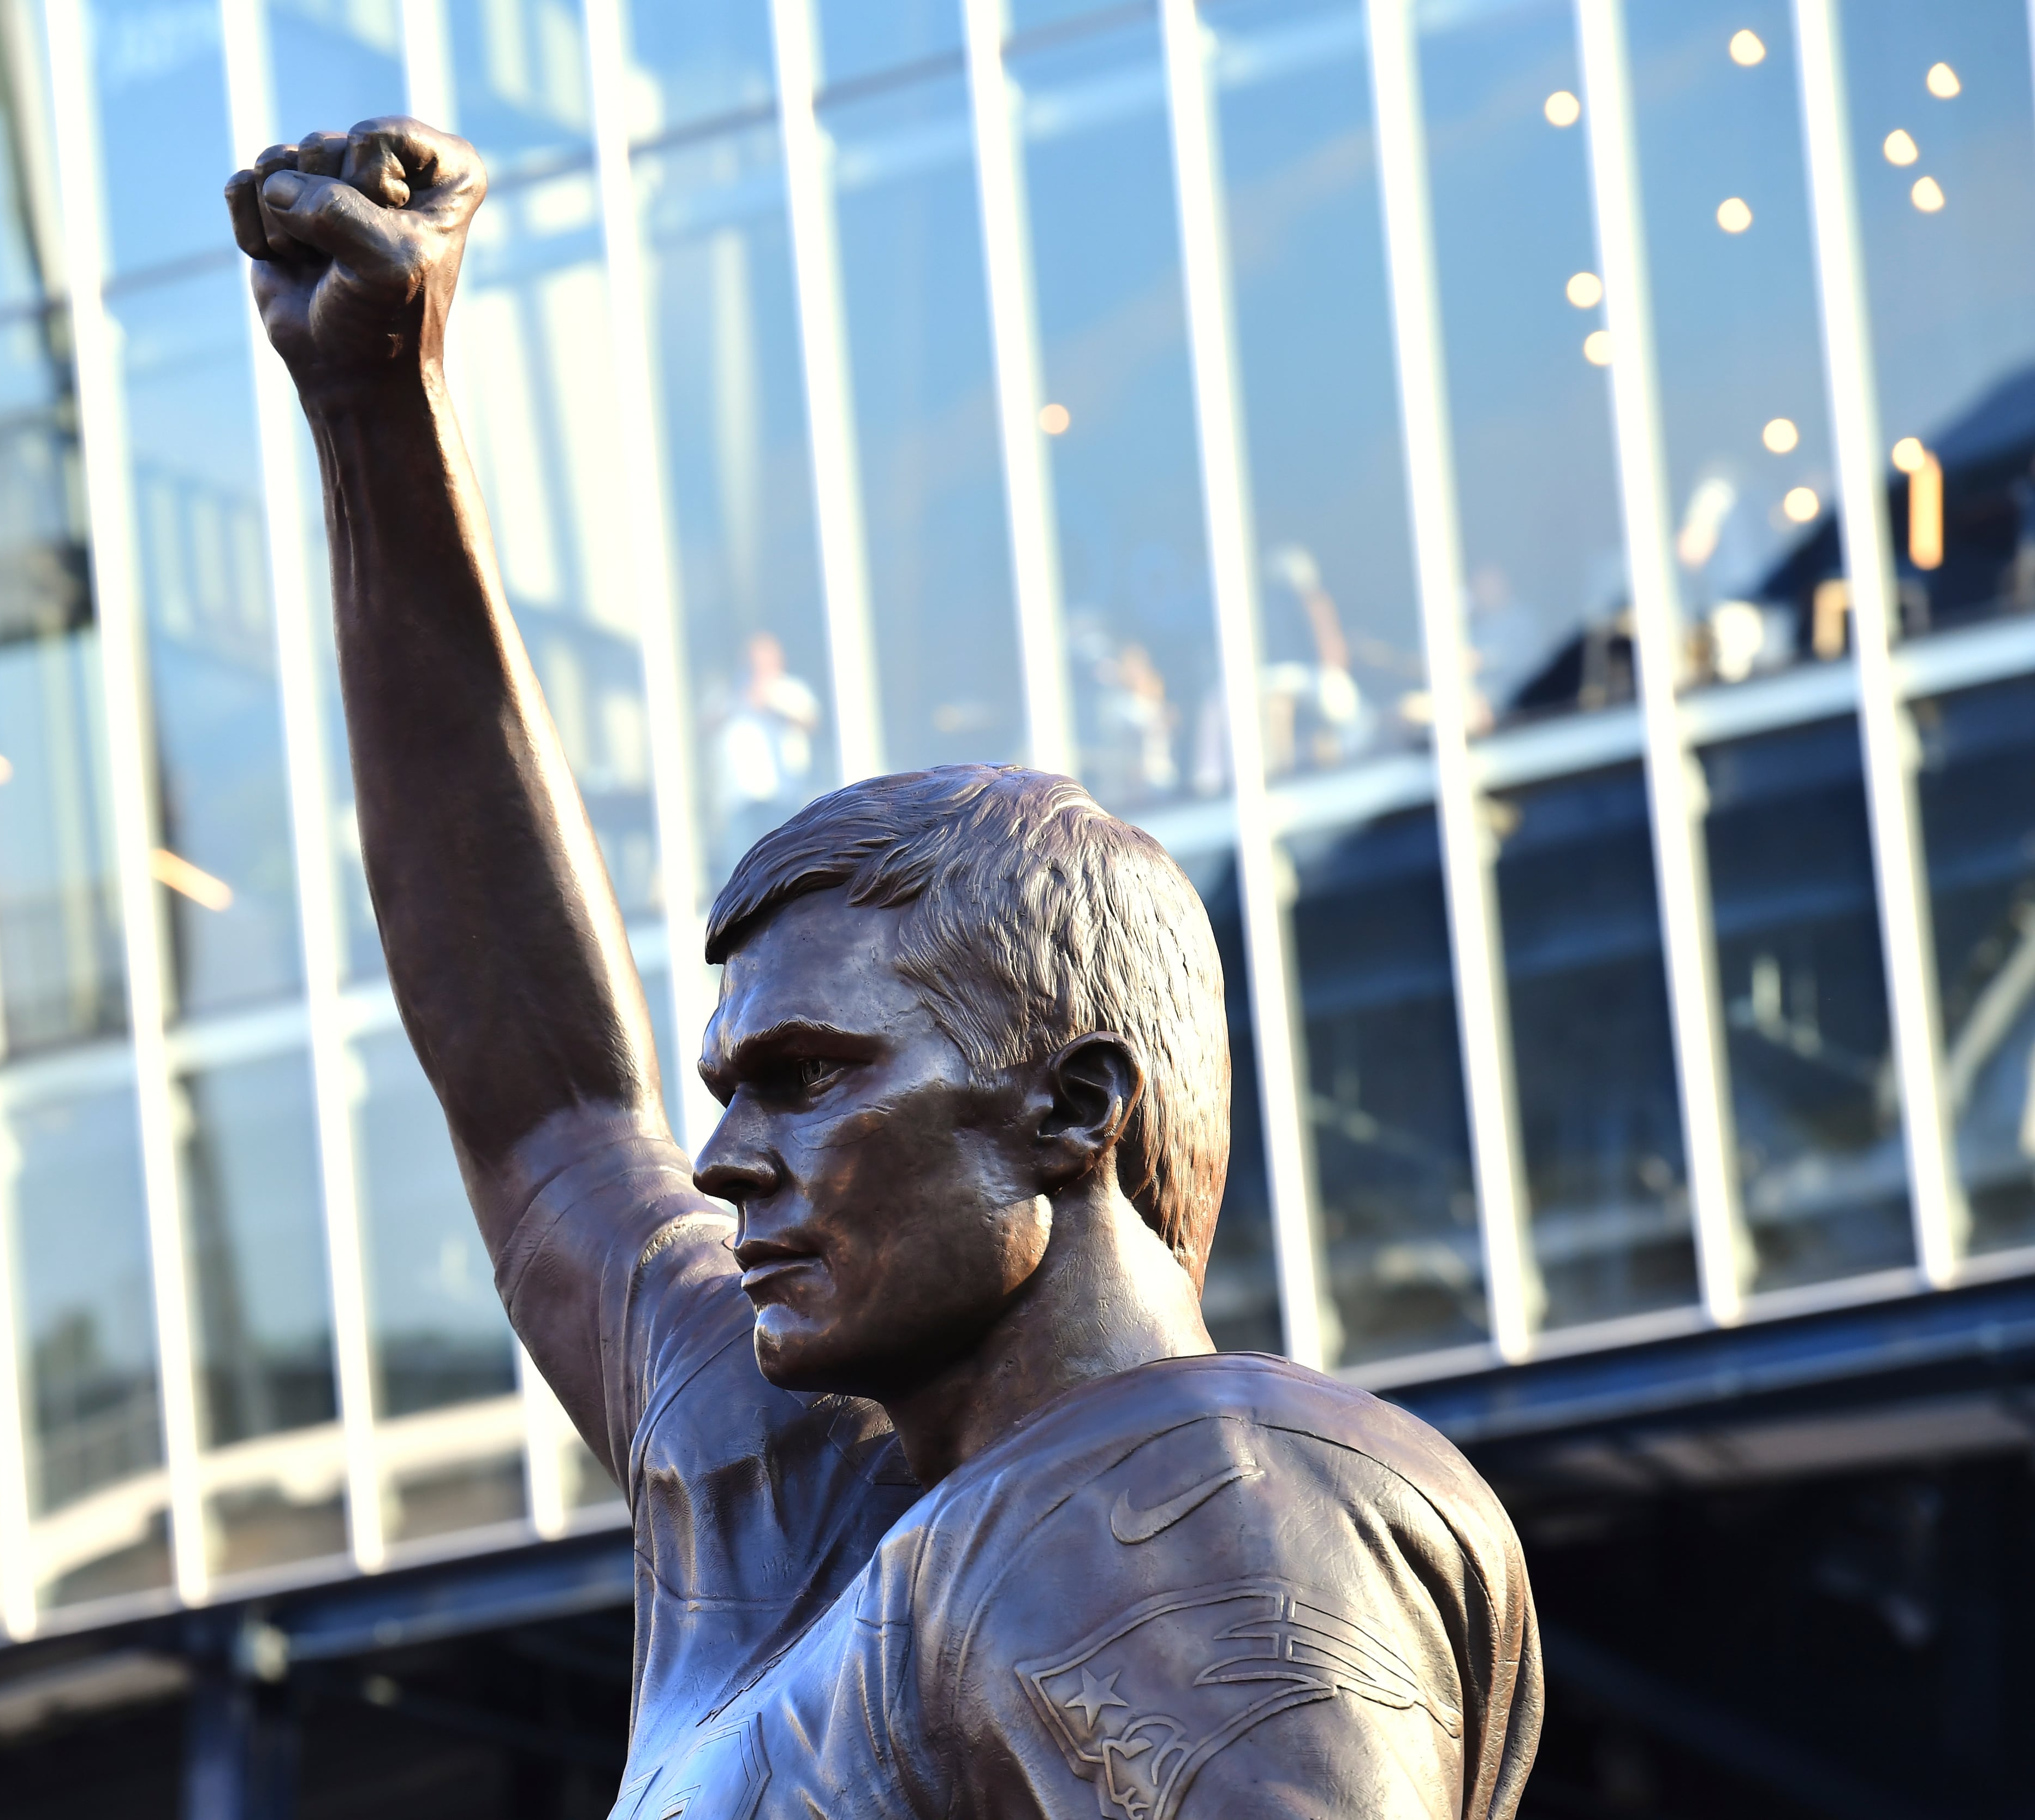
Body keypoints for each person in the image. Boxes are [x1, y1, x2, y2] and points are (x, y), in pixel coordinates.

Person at [228, 120, 1539, 1816]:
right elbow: (548, 1111)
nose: (724, 1159)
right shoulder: (790, 1488)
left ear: (1071, 1105)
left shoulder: (1194, 1506)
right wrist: (374, 408)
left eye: (808, 1077)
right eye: (732, 1088)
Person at [708, 630, 822, 874]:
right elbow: (706, 724)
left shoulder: (790, 690)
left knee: (785, 864)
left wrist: (771, 704)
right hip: (738, 797)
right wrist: (740, 700)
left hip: (782, 796)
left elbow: (811, 722)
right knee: (739, 869)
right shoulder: (729, 692)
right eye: (754, 658)